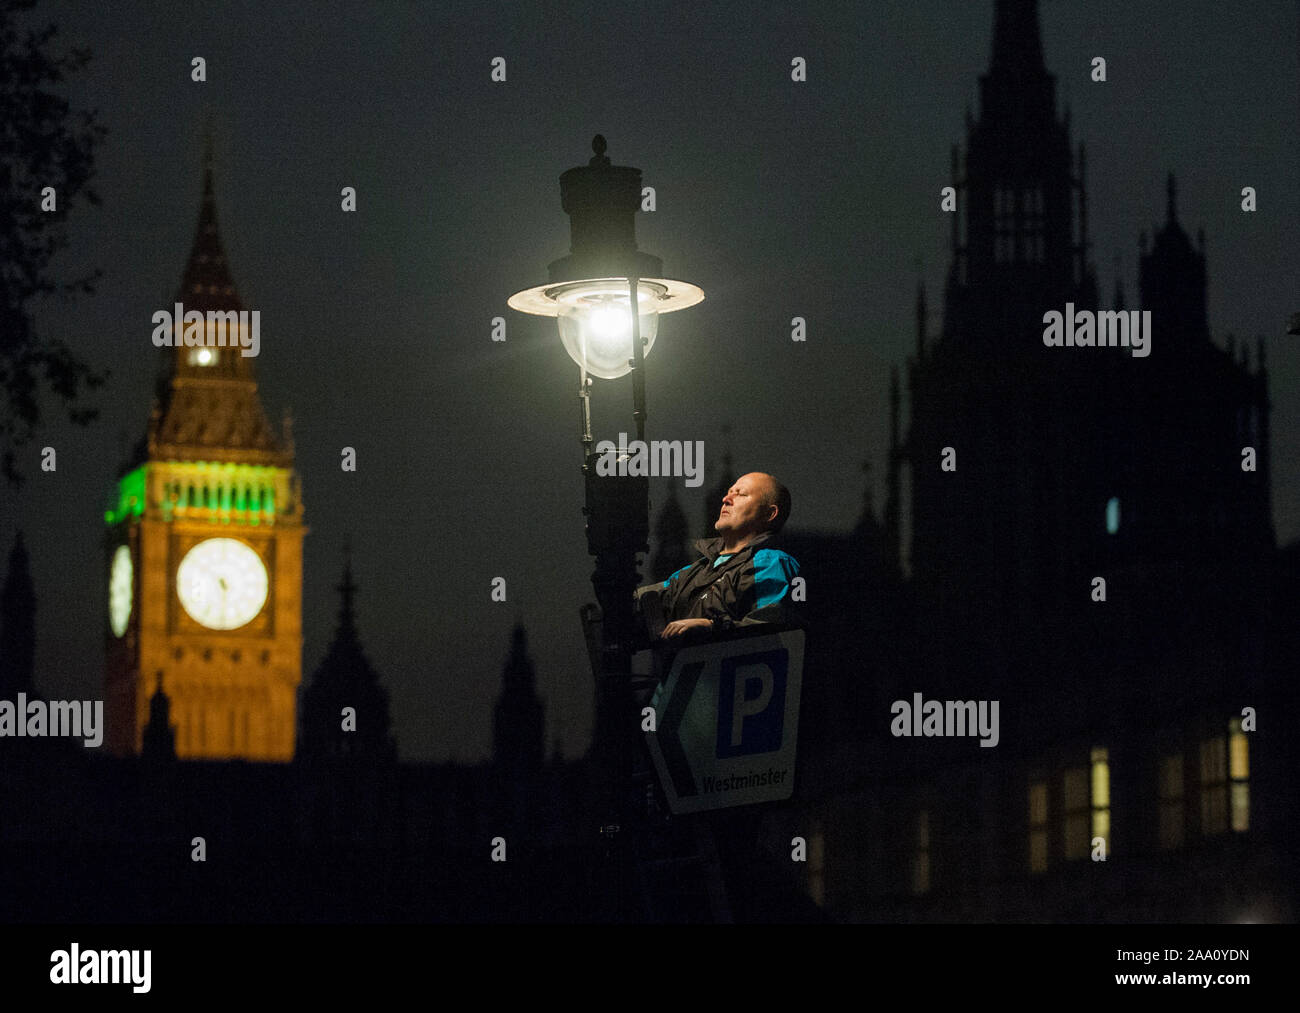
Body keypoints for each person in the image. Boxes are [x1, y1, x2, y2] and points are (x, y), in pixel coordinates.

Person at [637, 472, 800, 642]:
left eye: (741, 494)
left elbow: (771, 631)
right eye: (729, 492)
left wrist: (712, 627)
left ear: (769, 514)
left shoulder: (772, 562)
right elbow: (640, 600)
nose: (726, 499)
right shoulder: (692, 572)